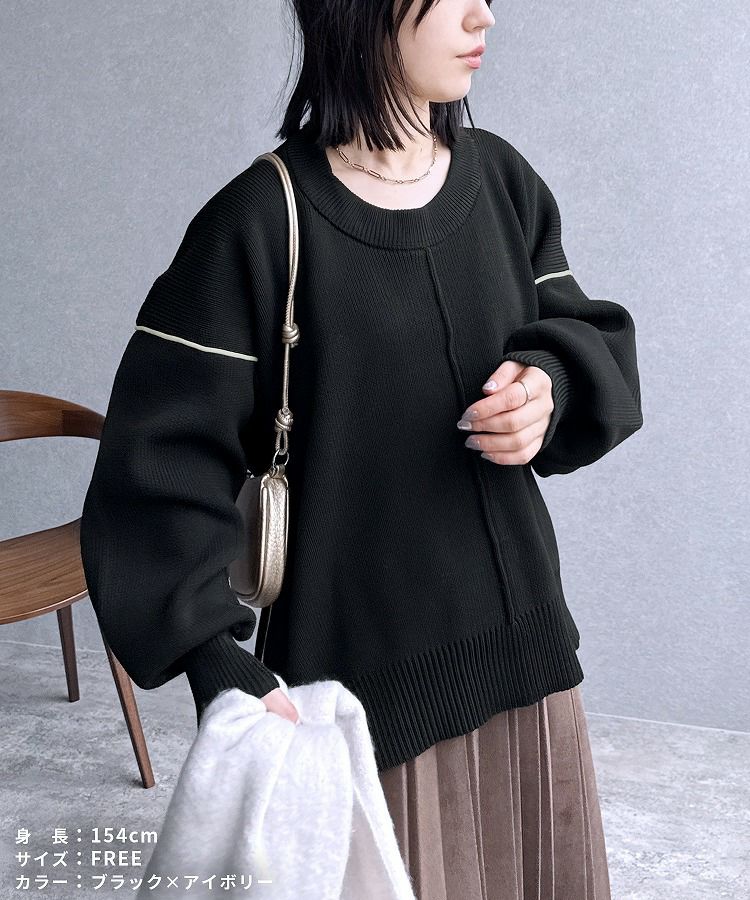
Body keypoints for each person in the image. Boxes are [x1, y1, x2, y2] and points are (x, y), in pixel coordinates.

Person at [80, 0, 643, 897]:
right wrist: (217, 662)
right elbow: (154, 466)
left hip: (529, 667)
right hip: (363, 702)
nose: (484, 15)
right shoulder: (258, 221)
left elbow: (584, 329)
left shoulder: (503, 181)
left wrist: (551, 383)